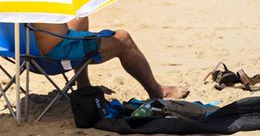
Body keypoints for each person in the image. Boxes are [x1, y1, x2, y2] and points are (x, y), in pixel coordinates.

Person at [32, 17, 189, 99]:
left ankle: (83, 84)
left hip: (24, 55)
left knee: (80, 17)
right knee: (123, 39)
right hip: (53, 56)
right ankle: (158, 92)